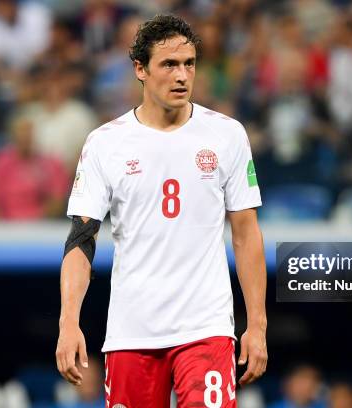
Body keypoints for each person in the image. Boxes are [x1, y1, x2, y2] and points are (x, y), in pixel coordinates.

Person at [55, 14, 267, 408]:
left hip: (206, 328)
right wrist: (69, 320)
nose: (182, 75)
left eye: (189, 63)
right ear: (140, 69)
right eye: (169, 64)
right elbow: (81, 241)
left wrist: (257, 324)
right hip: (132, 331)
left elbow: (246, 233)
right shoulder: (105, 144)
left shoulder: (227, 135)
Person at [0, 115, 69, 220]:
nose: (25, 136)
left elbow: (58, 199)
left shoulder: (50, 163)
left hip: (41, 225)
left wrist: (41, 221)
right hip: (5, 226)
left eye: (28, 132)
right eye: (21, 132)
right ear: (12, 135)